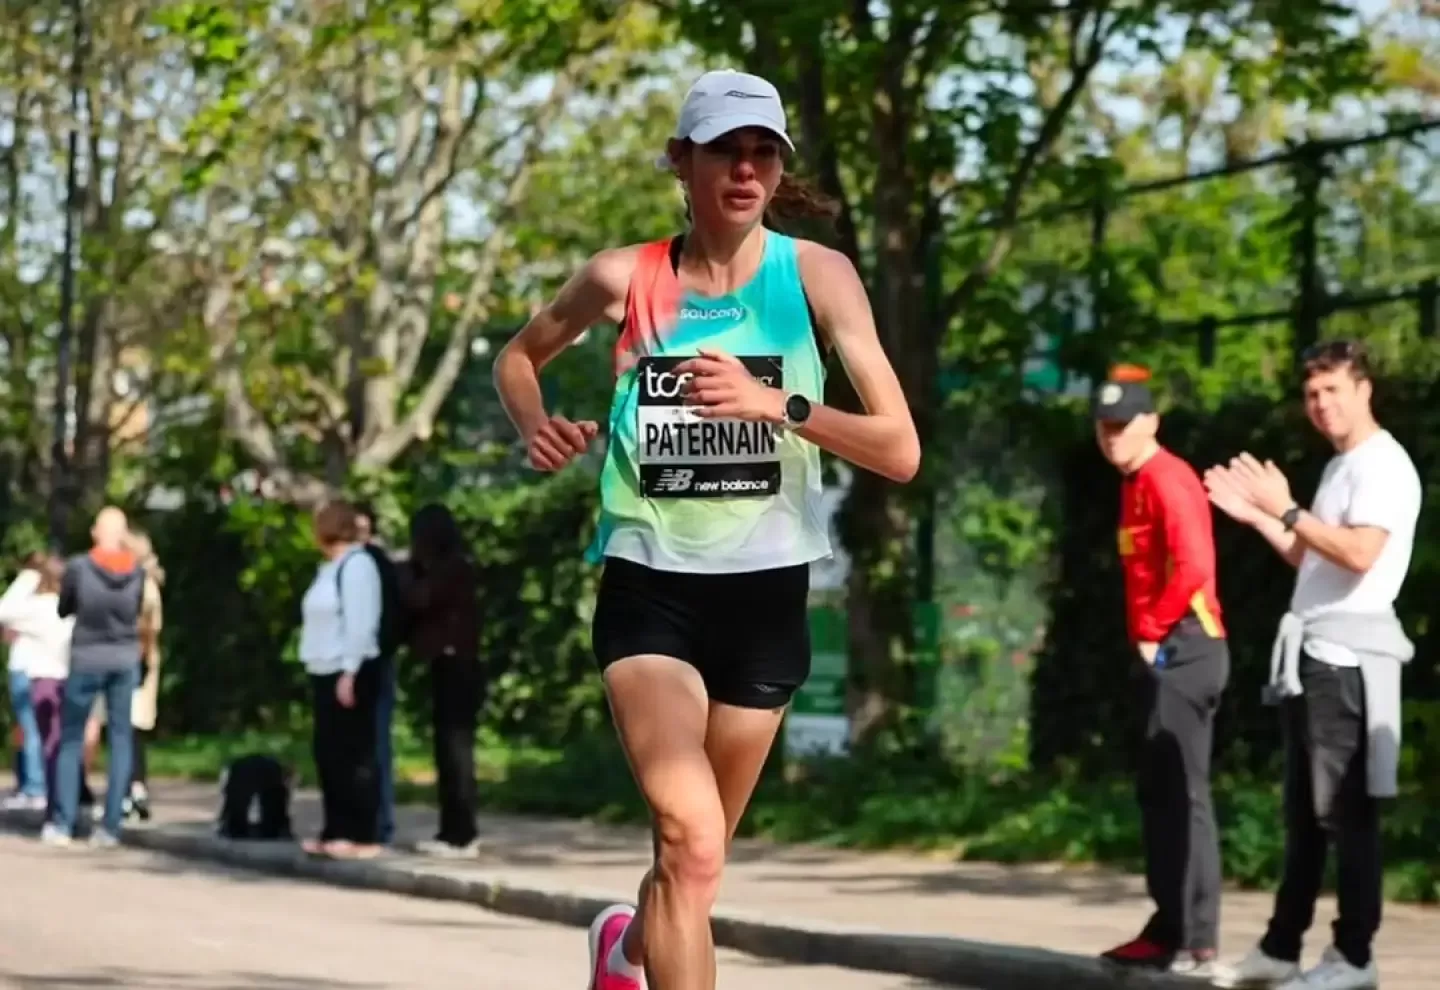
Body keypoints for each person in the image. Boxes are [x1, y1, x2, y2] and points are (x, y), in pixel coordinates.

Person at [493, 69, 919, 990]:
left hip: (768, 597)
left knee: (696, 859)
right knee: (688, 837)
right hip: (651, 588)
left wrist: (781, 403)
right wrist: (536, 426)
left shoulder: (816, 275)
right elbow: (519, 357)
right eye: (726, 148)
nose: (747, 167)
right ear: (681, 161)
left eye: (764, 150)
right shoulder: (623, 276)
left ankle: (628, 951)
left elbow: (900, 449)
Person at [1205, 340, 1418, 990]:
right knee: (1304, 816)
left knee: (1346, 815)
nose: (1321, 404)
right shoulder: (1341, 467)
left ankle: (1354, 957)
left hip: (1349, 665)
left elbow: (1358, 554)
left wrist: (1287, 508)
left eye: (1333, 390)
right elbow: (1313, 558)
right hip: (1314, 660)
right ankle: (1279, 946)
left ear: (1364, 389)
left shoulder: (1383, 466)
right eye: (1312, 394)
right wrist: (1261, 518)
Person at [1090, 366, 1230, 978]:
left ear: (1151, 423)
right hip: (1167, 650)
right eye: (1104, 426)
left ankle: (1194, 938)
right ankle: (1168, 924)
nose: (1112, 435)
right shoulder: (1133, 481)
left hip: (1186, 646)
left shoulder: (1167, 477)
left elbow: (1195, 564)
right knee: (1162, 793)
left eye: (1123, 425)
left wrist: (1153, 632)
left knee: (1183, 792)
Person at [44, 507, 147, 848]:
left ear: (96, 533)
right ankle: (111, 827)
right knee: (120, 739)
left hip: (87, 657)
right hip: (124, 658)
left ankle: (64, 822)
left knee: (72, 738)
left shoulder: (79, 567)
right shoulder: (137, 571)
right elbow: (135, 611)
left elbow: (64, 607)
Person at [298, 499, 384, 860]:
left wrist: (350, 670)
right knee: (329, 754)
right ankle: (335, 828)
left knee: (353, 753)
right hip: (322, 667)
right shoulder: (328, 568)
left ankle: (361, 832)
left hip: (347, 669)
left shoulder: (357, 565)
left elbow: (361, 621)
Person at [399, 503, 482, 856]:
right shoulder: (453, 568)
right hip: (450, 665)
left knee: (455, 752)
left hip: (457, 666)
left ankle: (461, 833)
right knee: (449, 751)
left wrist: (407, 570)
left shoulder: (452, 571)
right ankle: (452, 829)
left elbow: (419, 600)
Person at [0, 554, 72, 815]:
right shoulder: (69, 606)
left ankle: (36, 787)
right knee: (58, 740)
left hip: (42, 677)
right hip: (68, 677)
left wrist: (25, 579)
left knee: (34, 732)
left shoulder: (39, 607)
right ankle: (57, 794)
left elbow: (3, 610)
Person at [355, 500, 405, 846]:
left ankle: (381, 822)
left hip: (375, 665)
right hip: (350, 665)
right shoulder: (348, 563)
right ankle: (363, 820)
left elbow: (392, 617)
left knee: (376, 744)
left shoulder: (377, 563)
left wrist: (381, 652)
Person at [123, 529, 165, 822]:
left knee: (131, 729)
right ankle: (133, 789)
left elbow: (148, 625)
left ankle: (134, 791)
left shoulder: (143, 583)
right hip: (136, 659)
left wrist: (139, 652)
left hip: (137, 662)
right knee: (129, 730)